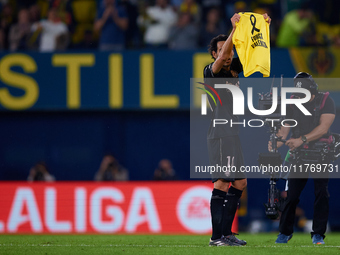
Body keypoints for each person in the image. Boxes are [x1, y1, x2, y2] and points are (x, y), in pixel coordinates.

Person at [203, 13, 271, 246]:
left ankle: (227, 234)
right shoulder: (210, 71)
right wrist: (234, 28)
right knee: (222, 182)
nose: (228, 53)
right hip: (220, 133)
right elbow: (223, 57)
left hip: (233, 133)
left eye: (230, 49)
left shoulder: (234, 67)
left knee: (240, 183)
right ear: (214, 53)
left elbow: (253, 51)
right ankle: (216, 237)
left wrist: (262, 29)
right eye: (223, 49)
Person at [268, 72, 336, 245]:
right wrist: (275, 142)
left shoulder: (326, 101)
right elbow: (284, 129)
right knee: (291, 196)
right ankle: (284, 232)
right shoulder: (292, 103)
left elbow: (324, 127)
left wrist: (301, 139)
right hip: (299, 156)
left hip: (320, 153)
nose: (301, 98)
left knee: (321, 193)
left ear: (312, 90)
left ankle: (318, 234)